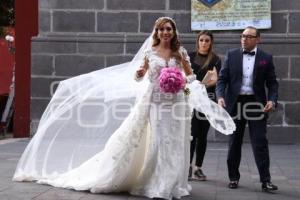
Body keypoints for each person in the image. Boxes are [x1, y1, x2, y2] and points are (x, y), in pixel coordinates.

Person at [12, 17, 235, 200]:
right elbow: (141, 76)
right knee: (159, 139)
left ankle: (173, 182)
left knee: (176, 140)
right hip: (156, 102)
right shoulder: (150, 53)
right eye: (161, 29)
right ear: (156, 32)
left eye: (169, 29)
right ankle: (157, 182)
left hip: (176, 102)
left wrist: (188, 94)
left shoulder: (181, 53)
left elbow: (189, 78)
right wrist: (139, 75)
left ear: (174, 32)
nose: (166, 32)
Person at [216, 26, 279, 192]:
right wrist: (220, 96)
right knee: (234, 143)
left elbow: (272, 83)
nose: (244, 39)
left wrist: (272, 100)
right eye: (243, 36)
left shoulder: (266, 58)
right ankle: (233, 177)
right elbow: (222, 80)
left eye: (249, 37)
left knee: (260, 142)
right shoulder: (232, 55)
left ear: (258, 39)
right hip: (235, 103)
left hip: (256, 104)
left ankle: (266, 181)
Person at [188, 30, 221, 181]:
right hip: (192, 100)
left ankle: (198, 168)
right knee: (192, 134)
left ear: (211, 43)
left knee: (202, 135)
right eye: (201, 40)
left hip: (208, 99)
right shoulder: (189, 56)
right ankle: (187, 166)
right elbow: (185, 76)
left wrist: (208, 83)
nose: (204, 43)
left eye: (207, 40)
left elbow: (216, 80)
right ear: (198, 41)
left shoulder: (215, 59)